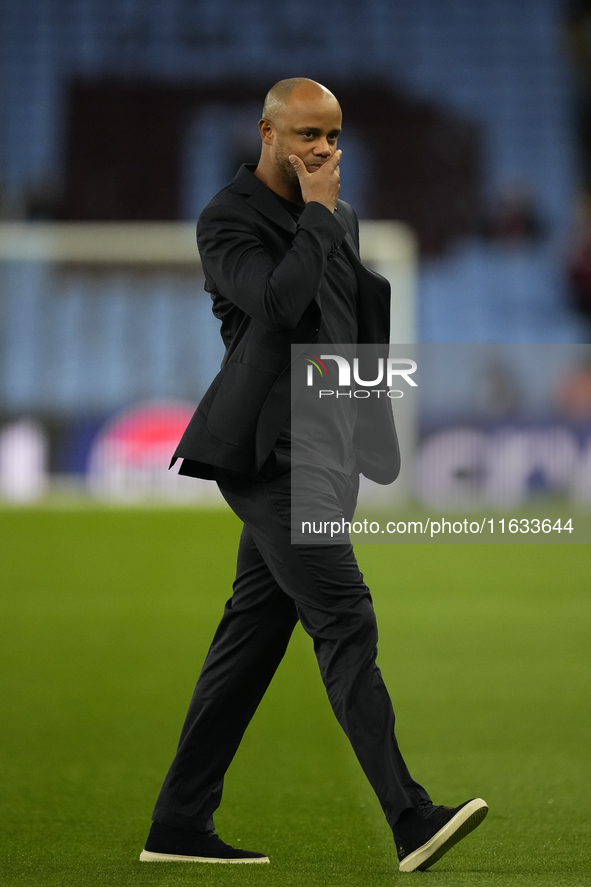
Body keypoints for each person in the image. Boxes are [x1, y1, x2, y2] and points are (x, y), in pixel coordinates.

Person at [139, 78, 488, 873]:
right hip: (268, 456)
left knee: (249, 644)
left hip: (326, 452)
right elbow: (276, 302)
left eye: (331, 136)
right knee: (345, 618)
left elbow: (350, 321)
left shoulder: (341, 217)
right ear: (266, 132)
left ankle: (177, 822)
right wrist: (321, 218)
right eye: (305, 135)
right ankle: (410, 816)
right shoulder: (227, 219)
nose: (323, 150)